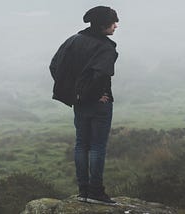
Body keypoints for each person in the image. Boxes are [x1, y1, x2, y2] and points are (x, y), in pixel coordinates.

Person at [49, 6, 119, 205]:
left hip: (79, 103)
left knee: (81, 145)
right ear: (102, 25)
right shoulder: (106, 47)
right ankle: (96, 192)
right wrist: (96, 95)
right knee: (97, 147)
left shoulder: (73, 41)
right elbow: (101, 74)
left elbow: (55, 65)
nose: (116, 25)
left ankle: (83, 192)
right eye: (113, 22)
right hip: (98, 105)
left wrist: (74, 93)